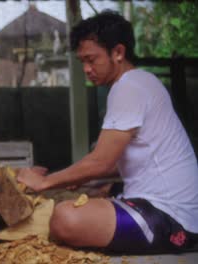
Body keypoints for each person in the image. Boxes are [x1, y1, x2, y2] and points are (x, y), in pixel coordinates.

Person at [17, 11, 198, 253]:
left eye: (92, 59)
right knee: (96, 189)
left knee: (64, 218)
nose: (87, 69)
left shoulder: (128, 87)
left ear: (118, 52)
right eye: (83, 61)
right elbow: (118, 163)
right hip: (179, 212)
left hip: (173, 219)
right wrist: (78, 176)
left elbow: (101, 162)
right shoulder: (142, 81)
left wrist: (43, 182)